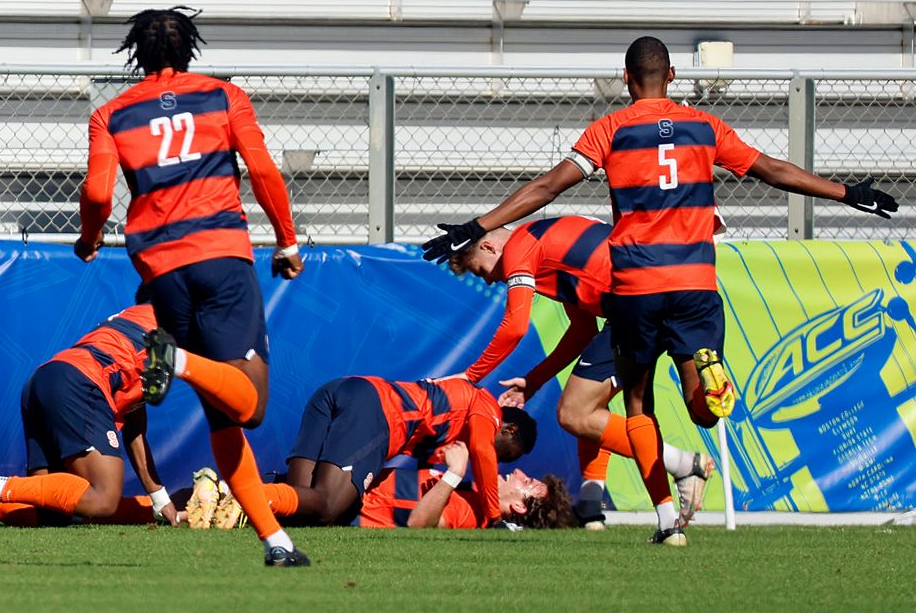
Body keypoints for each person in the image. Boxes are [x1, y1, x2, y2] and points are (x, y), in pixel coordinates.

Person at [422, 36, 898, 545]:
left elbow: (546, 187)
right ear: (672, 76)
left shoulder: (609, 130)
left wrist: (479, 222)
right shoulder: (705, 126)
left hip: (635, 289)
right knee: (697, 409)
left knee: (634, 407)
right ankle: (709, 400)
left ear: (626, 79)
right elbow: (774, 171)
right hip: (695, 281)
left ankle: (669, 518)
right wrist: (852, 193)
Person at [75, 7, 308, 566]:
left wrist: (88, 238)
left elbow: (99, 194)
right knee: (250, 408)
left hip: (159, 269)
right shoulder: (225, 97)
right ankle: (174, 362)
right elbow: (262, 170)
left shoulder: (111, 113)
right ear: (189, 49)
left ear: (136, 53)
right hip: (220, 255)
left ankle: (276, 542)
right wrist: (287, 240)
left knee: (222, 414)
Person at [446, 216, 714, 529]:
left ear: (489, 246)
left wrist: (470, 376)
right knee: (591, 404)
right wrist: (534, 380)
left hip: (640, 307)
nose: (489, 281)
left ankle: (683, 464)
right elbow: (583, 330)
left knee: (573, 412)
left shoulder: (520, 248)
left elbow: (515, 328)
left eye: (481, 271)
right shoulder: (549, 251)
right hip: (665, 297)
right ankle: (590, 503)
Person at [0, 305, 178, 528]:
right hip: (80, 382)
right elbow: (136, 421)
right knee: (103, 498)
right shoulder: (170, 326)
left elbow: (134, 419)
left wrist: (158, 499)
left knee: (52, 513)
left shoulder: (143, 315)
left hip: (45, 379)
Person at [261, 375, 537, 528]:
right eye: (503, 455)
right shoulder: (487, 412)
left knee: (301, 508)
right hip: (376, 410)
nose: (496, 463)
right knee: (328, 506)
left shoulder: (459, 426)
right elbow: (482, 449)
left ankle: (230, 494)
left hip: (345, 389)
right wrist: (495, 517)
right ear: (509, 430)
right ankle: (245, 494)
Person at [356, 443, 576, 530]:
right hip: (351, 481)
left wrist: (455, 473)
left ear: (519, 506)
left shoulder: (471, 514)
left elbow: (418, 523)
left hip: (347, 502)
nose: (519, 472)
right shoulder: (474, 493)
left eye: (526, 482)